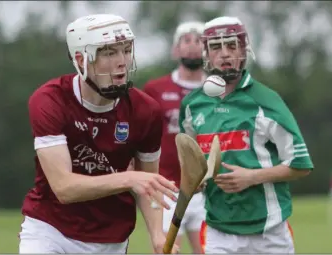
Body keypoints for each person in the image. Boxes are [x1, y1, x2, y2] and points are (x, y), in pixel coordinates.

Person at [18, 14, 179, 254]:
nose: (122, 61)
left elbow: (150, 187)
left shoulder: (146, 110)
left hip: (110, 241)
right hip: (50, 231)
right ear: (82, 59)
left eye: (126, 50)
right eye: (109, 53)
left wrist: (157, 234)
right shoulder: (50, 100)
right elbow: (64, 188)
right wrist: (129, 179)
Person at [179, 16, 314, 254]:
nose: (225, 54)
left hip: (269, 233)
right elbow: (191, 160)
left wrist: (252, 177)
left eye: (232, 46)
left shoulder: (266, 100)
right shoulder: (192, 105)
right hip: (218, 232)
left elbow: (301, 164)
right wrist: (196, 179)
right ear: (206, 54)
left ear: (244, 50)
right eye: (216, 47)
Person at [142, 21, 207, 253]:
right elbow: (142, 138)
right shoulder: (155, 89)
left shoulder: (216, 90)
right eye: (186, 41)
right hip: (166, 188)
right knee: (167, 251)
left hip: (205, 191)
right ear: (175, 49)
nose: (192, 46)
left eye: (199, 40)